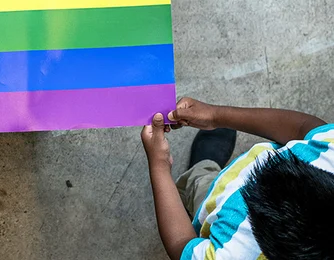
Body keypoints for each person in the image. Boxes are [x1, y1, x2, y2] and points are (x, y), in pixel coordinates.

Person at [141, 97, 334, 260]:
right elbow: (304, 129)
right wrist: (215, 115)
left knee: (200, 187)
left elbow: (181, 245)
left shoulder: (231, 253)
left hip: (212, 208)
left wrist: (159, 165)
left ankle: (198, 173)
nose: (250, 181)